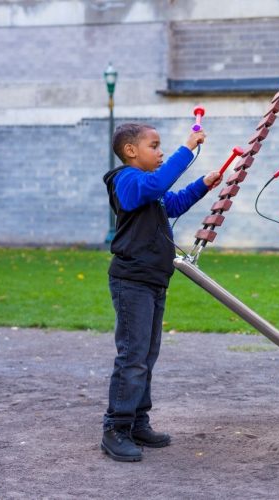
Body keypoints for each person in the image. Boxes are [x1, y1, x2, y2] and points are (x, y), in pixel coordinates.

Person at [100, 123, 222, 462]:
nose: (161, 152)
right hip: (132, 280)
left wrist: (203, 184)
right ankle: (115, 428)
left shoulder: (150, 194)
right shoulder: (126, 180)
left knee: (146, 357)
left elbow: (175, 203)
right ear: (130, 151)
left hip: (153, 281)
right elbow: (155, 184)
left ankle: (138, 422)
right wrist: (187, 149)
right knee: (133, 357)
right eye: (154, 146)